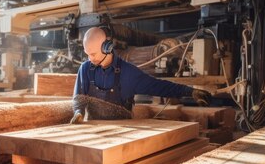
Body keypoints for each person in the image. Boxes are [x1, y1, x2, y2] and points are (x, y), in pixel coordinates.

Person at [71, 26, 211, 123]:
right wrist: (78, 113)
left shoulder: (127, 73)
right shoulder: (85, 69)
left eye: (93, 54)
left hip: (122, 134)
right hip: (94, 132)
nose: (90, 59)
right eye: (87, 54)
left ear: (106, 47)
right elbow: (79, 99)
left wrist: (190, 91)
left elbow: (158, 86)